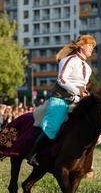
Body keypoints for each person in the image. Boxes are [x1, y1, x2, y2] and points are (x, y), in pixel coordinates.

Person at [26, 34, 96, 166]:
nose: (92, 48)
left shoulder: (88, 68)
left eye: (93, 46)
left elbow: (83, 87)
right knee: (52, 128)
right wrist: (78, 92)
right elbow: (61, 79)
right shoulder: (69, 60)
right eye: (89, 45)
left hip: (76, 101)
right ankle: (32, 154)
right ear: (81, 45)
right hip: (60, 99)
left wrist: (85, 94)